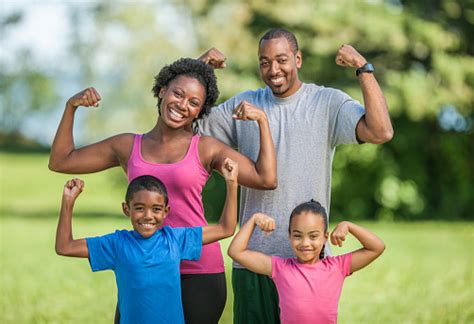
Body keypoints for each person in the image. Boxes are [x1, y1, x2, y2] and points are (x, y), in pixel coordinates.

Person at [49, 58, 277, 323]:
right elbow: (61, 161)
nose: (182, 105)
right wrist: (71, 107)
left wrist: (262, 121)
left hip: (198, 269)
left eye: (193, 102)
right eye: (178, 94)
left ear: (199, 111)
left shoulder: (205, 148)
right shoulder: (127, 145)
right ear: (161, 91)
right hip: (142, 266)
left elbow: (265, 178)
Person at [197, 28, 393, 323]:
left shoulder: (327, 102)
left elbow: (381, 131)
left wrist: (362, 68)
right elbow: (186, 125)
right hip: (254, 260)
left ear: (298, 59)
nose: (273, 70)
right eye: (264, 62)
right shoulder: (244, 105)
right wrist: (199, 71)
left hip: (310, 264)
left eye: (281, 60)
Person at [55, 158, 238, 324]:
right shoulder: (117, 244)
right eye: (140, 208)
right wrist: (68, 201)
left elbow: (226, 228)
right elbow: (65, 247)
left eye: (156, 209)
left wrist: (231, 183)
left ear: (166, 211)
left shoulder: (175, 240)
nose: (148, 216)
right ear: (127, 209)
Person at [227, 200, 385, 324]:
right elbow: (236, 252)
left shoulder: (337, 267)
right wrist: (254, 219)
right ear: (289, 236)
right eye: (297, 235)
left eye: (313, 236)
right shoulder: (280, 268)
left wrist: (348, 226)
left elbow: (376, 247)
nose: (305, 243)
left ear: (325, 237)